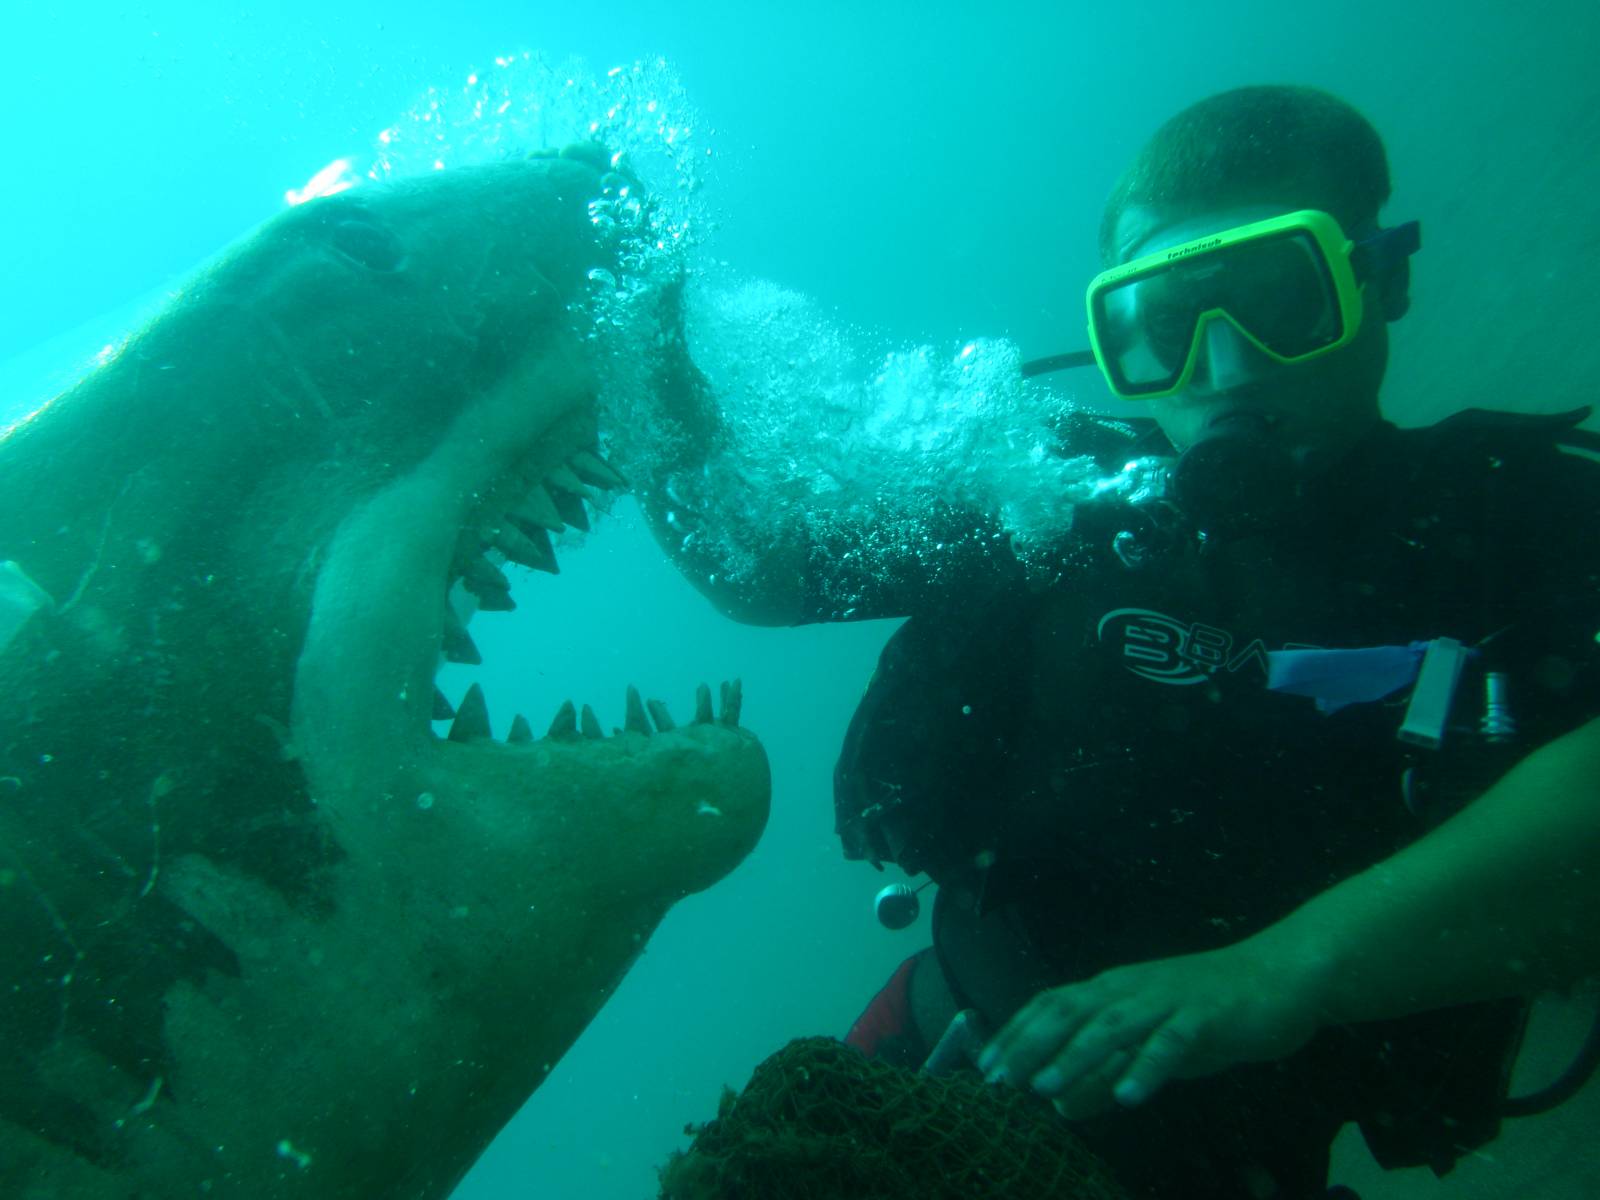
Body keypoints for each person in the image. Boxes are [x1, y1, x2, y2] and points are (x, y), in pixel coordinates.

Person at [639, 85, 1600, 1198]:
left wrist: (1276, 976)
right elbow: (757, 569)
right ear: (1115, 338)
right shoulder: (1055, 489)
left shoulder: (1518, 520)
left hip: (1235, 1166)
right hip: (923, 1070)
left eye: (1285, 299)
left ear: (1381, 278)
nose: (1226, 364)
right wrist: (641, 363)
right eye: (1166, 323)